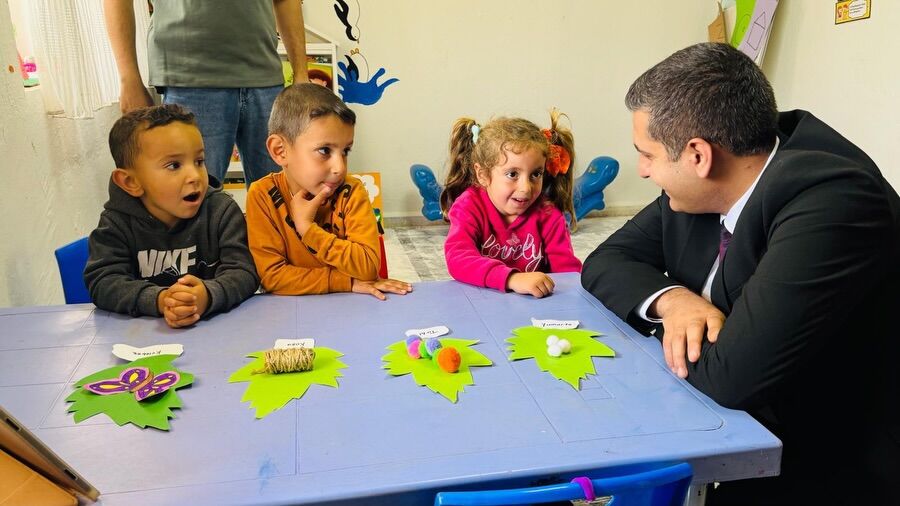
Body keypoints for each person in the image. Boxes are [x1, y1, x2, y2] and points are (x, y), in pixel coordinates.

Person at [581, 42, 900, 504]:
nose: (643, 171)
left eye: (647, 154)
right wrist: (674, 301)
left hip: (835, 452)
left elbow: (732, 377)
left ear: (698, 155)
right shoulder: (714, 177)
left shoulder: (834, 200)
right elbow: (606, 260)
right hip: (750, 421)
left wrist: (681, 333)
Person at [84, 104, 259, 328]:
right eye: (174, 165)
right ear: (131, 182)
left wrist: (207, 295)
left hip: (218, 331)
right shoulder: (116, 223)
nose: (195, 176)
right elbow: (103, 282)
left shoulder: (221, 211)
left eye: (199, 161)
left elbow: (244, 272)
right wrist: (160, 300)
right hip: (142, 338)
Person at [103, 0, 309, 186]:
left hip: (265, 77)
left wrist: (301, 74)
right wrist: (128, 79)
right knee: (193, 203)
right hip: (189, 80)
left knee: (283, 201)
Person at [246, 83, 411, 299]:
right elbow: (272, 277)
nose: (340, 167)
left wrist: (308, 229)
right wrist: (345, 282)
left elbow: (368, 268)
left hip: (352, 308)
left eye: (345, 151)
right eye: (324, 150)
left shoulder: (352, 191)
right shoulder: (262, 195)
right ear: (280, 151)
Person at [441, 111, 582, 297]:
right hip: (481, 301)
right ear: (483, 174)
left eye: (536, 174)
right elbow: (459, 259)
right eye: (512, 174)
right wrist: (511, 279)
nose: (526, 188)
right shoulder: (468, 206)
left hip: (535, 306)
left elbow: (568, 273)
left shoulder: (549, 214)